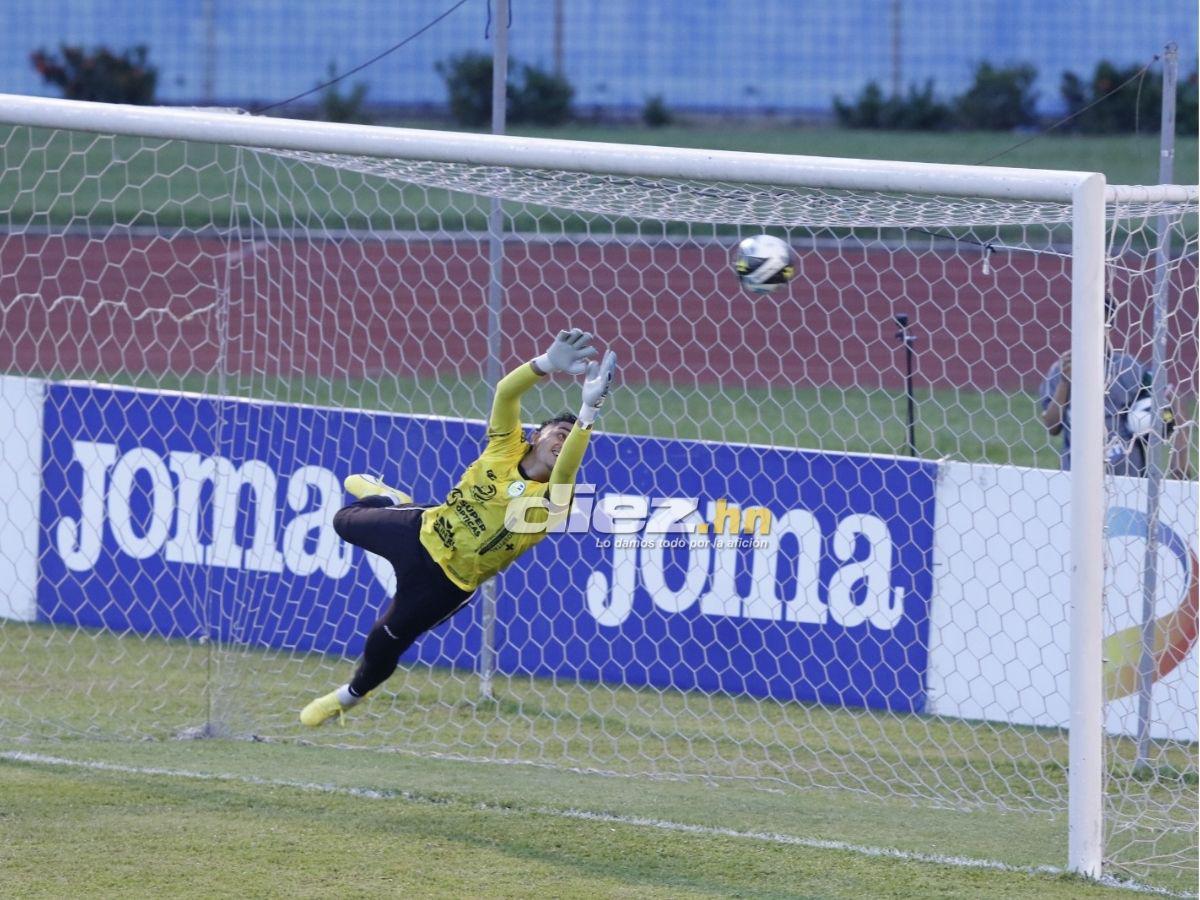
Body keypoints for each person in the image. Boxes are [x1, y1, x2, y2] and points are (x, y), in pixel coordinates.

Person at [301, 328, 617, 726]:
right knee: (342, 520)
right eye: (558, 433)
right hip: (422, 530)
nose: (562, 441)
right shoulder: (504, 446)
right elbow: (505, 393)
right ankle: (395, 500)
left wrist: (587, 413)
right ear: (536, 436)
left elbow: (569, 464)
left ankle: (346, 699)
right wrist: (546, 365)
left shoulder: (556, 500)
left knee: (385, 642)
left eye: (570, 439)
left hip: (446, 584)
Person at [1040, 299, 1191, 479]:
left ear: (1109, 327)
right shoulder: (1062, 368)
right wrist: (1065, 382)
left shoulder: (1129, 367)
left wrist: (1180, 459)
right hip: (1077, 476)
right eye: (1084, 324)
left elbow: (1170, 397)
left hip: (1129, 477)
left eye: (1098, 324)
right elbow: (1052, 426)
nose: (1091, 331)